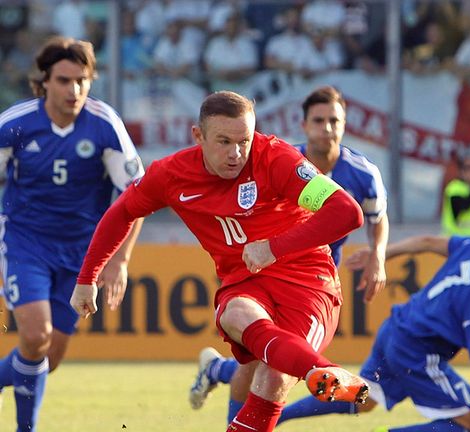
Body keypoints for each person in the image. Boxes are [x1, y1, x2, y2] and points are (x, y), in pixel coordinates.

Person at [70, 90, 368, 432]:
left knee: (272, 375)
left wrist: (274, 246)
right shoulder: (172, 174)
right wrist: (87, 277)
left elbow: (347, 212)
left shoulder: (276, 159)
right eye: (224, 141)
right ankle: (321, 371)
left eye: (244, 140)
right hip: (246, 281)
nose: (236, 153)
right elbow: (121, 212)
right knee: (234, 315)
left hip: (308, 282)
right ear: (198, 136)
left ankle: (315, 370)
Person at [188, 86, 389, 424]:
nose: (327, 128)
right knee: (263, 366)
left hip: (313, 281)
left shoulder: (363, 172)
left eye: (334, 121)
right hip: (266, 274)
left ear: (344, 125)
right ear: (304, 124)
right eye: (319, 120)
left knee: (268, 365)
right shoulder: (285, 161)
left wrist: (378, 257)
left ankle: (216, 372)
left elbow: (376, 217)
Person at [0, 36, 145, 431]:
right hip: (25, 240)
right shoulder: (15, 124)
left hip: (83, 251)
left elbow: (137, 197)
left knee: (48, 358)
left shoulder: (104, 125)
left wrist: (120, 259)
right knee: (35, 334)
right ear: (44, 81)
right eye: (64, 80)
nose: (74, 90)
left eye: (83, 80)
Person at [276, 221, 470, 431]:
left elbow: (428, 242)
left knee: (365, 398)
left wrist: (381, 254)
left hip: (395, 330)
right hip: (416, 352)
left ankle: (277, 415)